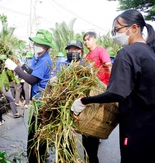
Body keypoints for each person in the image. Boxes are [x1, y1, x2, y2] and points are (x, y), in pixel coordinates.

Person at [71, 9, 155, 163]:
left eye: (117, 30)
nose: (115, 34)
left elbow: (116, 93)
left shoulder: (127, 53)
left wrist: (84, 101)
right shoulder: (150, 52)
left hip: (135, 128)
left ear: (134, 28)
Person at [4, 29, 54, 162]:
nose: (35, 45)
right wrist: (22, 66)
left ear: (45, 47)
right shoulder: (41, 59)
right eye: (35, 42)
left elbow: (32, 80)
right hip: (39, 100)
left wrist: (16, 69)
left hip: (41, 101)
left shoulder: (44, 60)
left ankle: (35, 159)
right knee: (38, 132)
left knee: (35, 133)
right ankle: (39, 156)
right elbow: (34, 73)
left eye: (38, 43)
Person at [80, 31, 112, 163]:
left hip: (102, 90)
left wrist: (111, 86)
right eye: (85, 40)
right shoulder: (87, 56)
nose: (86, 42)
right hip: (91, 92)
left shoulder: (101, 51)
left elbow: (109, 66)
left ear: (94, 39)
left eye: (88, 39)